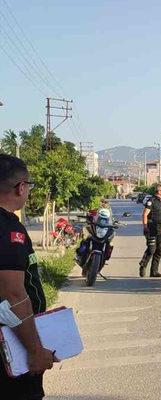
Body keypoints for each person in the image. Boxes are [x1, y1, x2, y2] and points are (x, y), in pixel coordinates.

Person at [0, 155, 57, 400]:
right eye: (29, 186)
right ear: (21, 187)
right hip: (9, 345)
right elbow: (12, 293)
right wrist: (34, 350)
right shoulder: (9, 229)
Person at [138, 183, 161, 278]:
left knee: (160, 250)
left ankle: (154, 271)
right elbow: (145, 214)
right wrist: (145, 227)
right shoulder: (152, 201)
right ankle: (143, 265)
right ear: (159, 191)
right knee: (151, 249)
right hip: (152, 228)